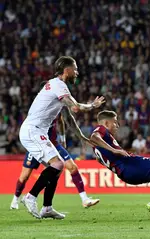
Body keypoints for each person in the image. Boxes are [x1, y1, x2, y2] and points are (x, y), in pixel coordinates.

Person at [19, 56, 105, 219]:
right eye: (75, 69)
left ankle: (47, 208)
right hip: (33, 131)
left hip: (36, 131)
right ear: (67, 70)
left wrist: (81, 136)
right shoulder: (59, 86)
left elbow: (70, 115)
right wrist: (92, 106)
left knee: (56, 169)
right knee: (58, 164)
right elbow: (75, 107)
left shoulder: (56, 86)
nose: (77, 72)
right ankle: (30, 197)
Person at [11, 108, 99, 210]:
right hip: (38, 144)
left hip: (53, 143)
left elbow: (61, 121)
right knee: (25, 176)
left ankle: (84, 199)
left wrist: (62, 139)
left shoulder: (58, 107)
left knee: (72, 167)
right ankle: (15, 199)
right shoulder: (40, 108)